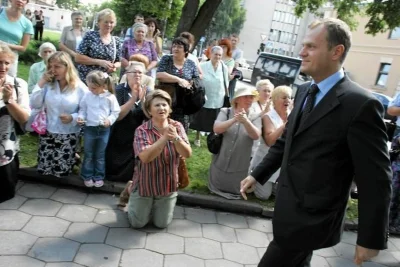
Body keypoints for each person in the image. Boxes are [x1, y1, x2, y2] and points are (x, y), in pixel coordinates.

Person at [240, 18, 391, 267]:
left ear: (336, 51)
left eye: (310, 46)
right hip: (288, 208)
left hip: (314, 219)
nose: (302, 52)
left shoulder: (361, 104)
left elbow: (376, 177)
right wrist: (258, 174)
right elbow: (288, 140)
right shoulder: (303, 90)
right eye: (303, 45)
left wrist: (370, 238)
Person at [127, 89, 192, 228]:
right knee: (137, 223)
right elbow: (145, 157)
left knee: (161, 224)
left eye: (164, 105)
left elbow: (187, 154)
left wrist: (175, 138)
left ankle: (152, 207)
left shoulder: (177, 126)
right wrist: (163, 139)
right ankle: (131, 190)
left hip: (167, 184)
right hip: (146, 183)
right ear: (149, 110)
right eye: (157, 105)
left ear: (169, 109)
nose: (161, 108)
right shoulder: (142, 130)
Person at [30, 52, 88, 177]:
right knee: (44, 170)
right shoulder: (48, 84)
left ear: (67, 67)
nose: (53, 70)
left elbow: (86, 110)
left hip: (68, 134)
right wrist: (41, 82)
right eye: (50, 67)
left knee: (61, 171)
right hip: (48, 132)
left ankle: (73, 161)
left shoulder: (79, 87)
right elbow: (35, 104)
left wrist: (73, 117)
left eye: (57, 67)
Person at [208, 87, 261, 200]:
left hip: (241, 159)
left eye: (251, 97)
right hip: (222, 156)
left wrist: (246, 121)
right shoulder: (225, 111)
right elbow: (217, 128)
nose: (249, 100)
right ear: (237, 99)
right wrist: (234, 120)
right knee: (218, 177)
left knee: (237, 182)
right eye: (246, 97)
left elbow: (256, 135)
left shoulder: (256, 116)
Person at [105, 62, 150, 182]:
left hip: (138, 131)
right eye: (134, 72)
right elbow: (117, 116)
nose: (137, 75)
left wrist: (143, 100)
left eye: (140, 72)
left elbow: (149, 116)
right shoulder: (119, 90)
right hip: (119, 130)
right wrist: (133, 99)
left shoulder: (147, 91)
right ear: (127, 74)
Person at [78, 70, 120, 188]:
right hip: (90, 128)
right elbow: (83, 109)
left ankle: (99, 176)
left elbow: (116, 112)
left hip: (103, 130)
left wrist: (109, 120)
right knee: (88, 153)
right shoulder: (87, 96)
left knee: (100, 154)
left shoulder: (110, 97)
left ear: (103, 86)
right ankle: (87, 175)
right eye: (89, 87)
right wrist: (81, 117)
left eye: (94, 88)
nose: (91, 90)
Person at [249, 85, 291, 200]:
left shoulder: (292, 114)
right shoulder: (268, 116)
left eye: (289, 97)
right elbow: (270, 141)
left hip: (282, 165)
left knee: (280, 195)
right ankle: (253, 178)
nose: (287, 100)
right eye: (284, 98)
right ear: (275, 99)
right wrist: (285, 125)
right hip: (266, 160)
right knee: (263, 196)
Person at [0, 44, 30, 203]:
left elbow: (24, 118)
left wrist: (9, 101)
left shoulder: (18, 85)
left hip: (5, 153)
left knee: (4, 194)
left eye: (6, 62)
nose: (3, 67)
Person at [156, 37, 199, 133]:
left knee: (181, 130)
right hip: (166, 99)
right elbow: (159, 75)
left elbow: (196, 79)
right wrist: (178, 79)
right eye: (174, 46)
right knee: (163, 128)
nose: (175, 48)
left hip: (183, 102)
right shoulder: (166, 59)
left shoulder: (191, 63)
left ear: (186, 50)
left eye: (179, 47)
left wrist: (190, 83)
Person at [190, 46, 228, 147]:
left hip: (218, 97)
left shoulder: (224, 67)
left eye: (220, 55)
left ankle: (212, 138)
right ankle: (197, 137)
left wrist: (227, 95)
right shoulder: (202, 65)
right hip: (205, 96)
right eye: (216, 54)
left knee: (214, 120)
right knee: (200, 118)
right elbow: (197, 80)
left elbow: (226, 83)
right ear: (211, 54)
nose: (218, 57)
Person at [75, 8, 122, 84]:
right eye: (106, 22)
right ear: (99, 22)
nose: (109, 25)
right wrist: (98, 62)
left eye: (111, 22)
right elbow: (78, 58)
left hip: (104, 82)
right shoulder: (90, 36)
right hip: (86, 80)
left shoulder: (116, 41)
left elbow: (119, 61)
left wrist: (114, 66)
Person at [0, 0, 34, 77]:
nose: (20, 0)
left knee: (8, 83)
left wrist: (4, 44)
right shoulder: (1, 12)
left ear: (26, 2)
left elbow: (23, 48)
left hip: (10, 59)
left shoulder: (27, 24)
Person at [250, 79, 274, 158]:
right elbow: (249, 118)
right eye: (264, 91)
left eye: (269, 91)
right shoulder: (251, 104)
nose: (267, 93)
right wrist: (262, 113)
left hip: (265, 144)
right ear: (258, 92)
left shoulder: (272, 106)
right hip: (251, 142)